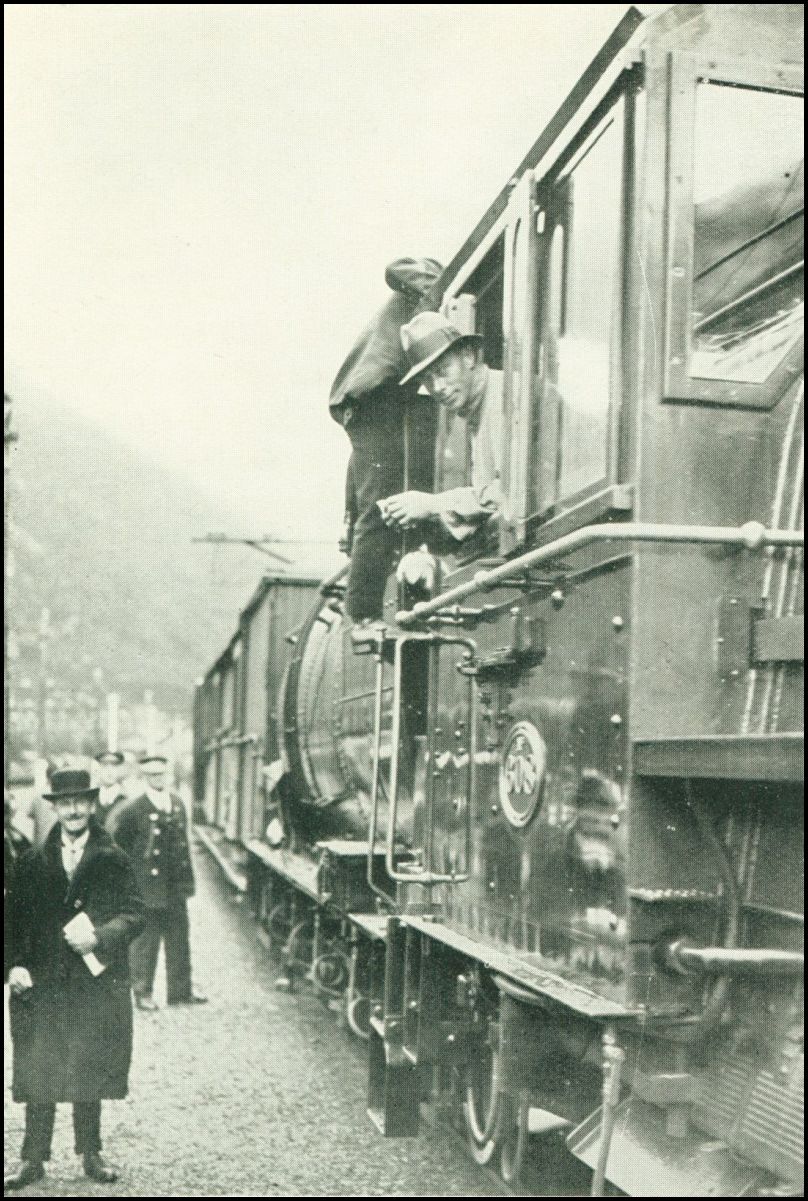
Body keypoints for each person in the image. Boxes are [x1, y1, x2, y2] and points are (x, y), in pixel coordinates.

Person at [4, 769, 144, 1190]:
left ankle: (91, 1153)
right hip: (43, 982)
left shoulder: (113, 859)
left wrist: (99, 937)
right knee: (38, 1065)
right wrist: (13, 965)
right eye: (65, 803)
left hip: (94, 981)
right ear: (55, 808)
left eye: (82, 801)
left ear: (92, 804)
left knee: (90, 1064)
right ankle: (33, 1159)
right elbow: (12, 922)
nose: (74, 809)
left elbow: (136, 914)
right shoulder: (32, 862)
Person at [329, 256, 442, 627]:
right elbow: (398, 267)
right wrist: (443, 290)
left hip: (379, 396)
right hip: (376, 392)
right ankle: (362, 613)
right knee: (381, 502)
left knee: (376, 490)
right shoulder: (434, 284)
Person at [378, 311, 503, 585]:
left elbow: (511, 496)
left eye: (442, 371)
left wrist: (432, 505)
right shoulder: (478, 408)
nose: (438, 387)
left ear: (469, 356)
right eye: (427, 379)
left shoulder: (506, 398)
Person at [113, 755, 206, 1011]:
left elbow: (182, 846)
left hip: (175, 886)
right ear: (145, 777)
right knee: (146, 942)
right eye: (153, 775)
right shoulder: (134, 809)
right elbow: (120, 847)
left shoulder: (176, 804)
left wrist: (187, 883)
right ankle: (142, 992)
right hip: (147, 887)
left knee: (179, 940)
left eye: (162, 774)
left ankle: (180, 991)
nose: (159, 779)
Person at [93, 750, 129, 833]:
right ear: (98, 770)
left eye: (114, 766)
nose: (110, 771)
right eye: (105, 766)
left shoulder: (126, 800)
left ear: (120, 770)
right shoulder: (92, 798)